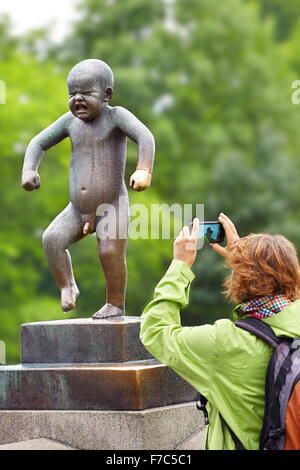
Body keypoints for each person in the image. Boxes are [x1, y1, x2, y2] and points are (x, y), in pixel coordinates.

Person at [140, 213, 300, 450]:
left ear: (241, 279)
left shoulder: (223, 343)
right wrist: (243, 262)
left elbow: (154, 330)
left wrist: (180, 266)